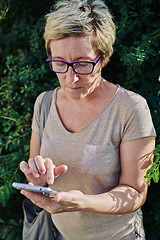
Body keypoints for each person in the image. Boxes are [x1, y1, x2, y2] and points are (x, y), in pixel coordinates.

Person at [20, 0, 156, 239]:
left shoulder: (131, 108)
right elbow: (35, 164)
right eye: (59, 63)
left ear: (103, 58)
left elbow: (135, 192)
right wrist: (37, 176)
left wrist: (83, 202)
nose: (70, 78)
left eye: (82, 64)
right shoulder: (44, 103)